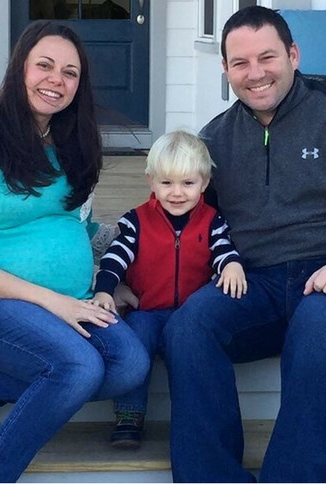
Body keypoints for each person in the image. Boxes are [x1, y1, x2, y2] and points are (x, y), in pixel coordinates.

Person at [161, 6, 326, 483]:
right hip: (254, 282)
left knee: (318, 326)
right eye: (240, 63)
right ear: (225, 69)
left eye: (267, 57)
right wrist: (131, 278)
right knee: (188, 327)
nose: (255, 74)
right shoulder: (214, 139)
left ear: (293, 55)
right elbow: (182, 221)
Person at [0, 20, 149, 483]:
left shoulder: (73, 144)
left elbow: (83, 226)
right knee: (78, 367)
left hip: (72, 301)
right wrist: (54, 301)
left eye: (70, 73)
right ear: (20, 70)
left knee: (130, 364)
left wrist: (131, 258)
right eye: (45, 66)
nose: (57, 80)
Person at [91, 130, 247, 449]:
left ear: (204, 184)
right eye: (167, 183)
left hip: (190, 315)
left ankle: (189, 417)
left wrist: (232, 265)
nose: (177, 193)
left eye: (188, 183)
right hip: (146, 310)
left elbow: (222, 249)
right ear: (151, 181)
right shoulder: (137, 221)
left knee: (190, 351)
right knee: (135, 344)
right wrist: (105, 289)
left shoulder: (211, 221)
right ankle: (129, 415)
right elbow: (115, 257)